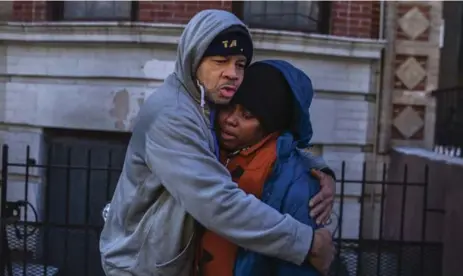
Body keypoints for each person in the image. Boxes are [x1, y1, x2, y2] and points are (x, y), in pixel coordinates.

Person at [99, 9, 335, 276]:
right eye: (220, 61)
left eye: (240, 64)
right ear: (194, 58)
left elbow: (269, 142)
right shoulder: (172, 115)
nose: (232, 73)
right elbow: (217, 202)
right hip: (140, 267)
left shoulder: (207, 104)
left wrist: (320, 171)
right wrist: (307, 243)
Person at [197, 60, 334, 276]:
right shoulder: (204, 150)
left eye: (247, 115)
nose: (231, 120)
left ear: (269, 124)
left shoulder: (298, 182)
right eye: (229, 107)